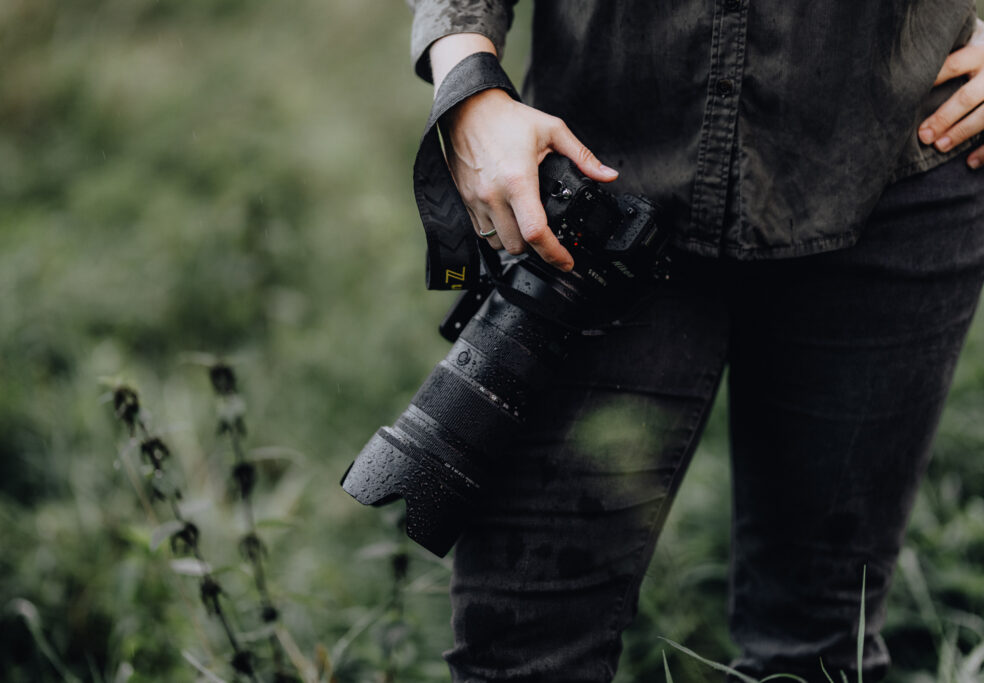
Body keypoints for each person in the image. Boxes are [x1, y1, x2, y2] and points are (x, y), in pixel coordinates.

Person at [405, 1, 984, 680]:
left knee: (819, 652)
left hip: (900, 164)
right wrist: (466, 77)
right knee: (524, 649)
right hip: (594, 195)